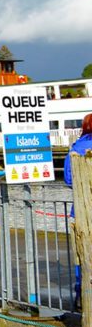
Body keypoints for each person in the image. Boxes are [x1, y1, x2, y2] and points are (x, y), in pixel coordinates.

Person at [64, 113, 92, 305]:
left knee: (81, 255)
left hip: (80, 209)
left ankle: (81, 294)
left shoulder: (74, 148)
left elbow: (67, 179)